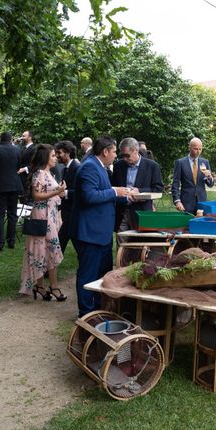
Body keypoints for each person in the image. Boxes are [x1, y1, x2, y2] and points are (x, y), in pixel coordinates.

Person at [70, 136, 135, 317]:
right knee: (88, 274)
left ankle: (99, 308)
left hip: (101, 233)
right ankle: (86, 313)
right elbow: (89, 196)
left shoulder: (100, 166)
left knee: (102, 274)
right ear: (105, 151)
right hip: (90, 233)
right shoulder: (89, 166)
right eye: (114, 151)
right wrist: (115, 191)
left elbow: (103, 193)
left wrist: (126, 194)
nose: (116, 155)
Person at [19, 144, 67, 300]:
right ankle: (49, 286)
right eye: (53, 155)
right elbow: (37, 196)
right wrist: (57, 191)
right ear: (46, 157)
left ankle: (43, 286)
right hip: (42, 216)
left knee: (47, 250)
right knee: (46, 249)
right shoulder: (39, 173)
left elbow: (50, 194)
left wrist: (60, 193)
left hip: (50, 215)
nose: (55, 158)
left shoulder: (48, 173)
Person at [112, 137, 164, 234]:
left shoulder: (152, 166)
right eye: (122, 155)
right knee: (122, 245)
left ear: (136, 150)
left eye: (127, 155)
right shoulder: (119, 166)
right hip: (122, 212)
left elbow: (158, 189)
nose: (125, 159)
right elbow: (113, 186)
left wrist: (139, 191)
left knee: (140, 244)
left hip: (142, 212)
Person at [0, 132, 22, 251]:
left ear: (0, 139)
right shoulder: (17, 150)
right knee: (12, 214)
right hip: (14, 185)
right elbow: (18, 167)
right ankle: (11, 241)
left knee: (0, 214)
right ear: (10, 139)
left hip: (0, 185)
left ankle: (0, 242)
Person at [171, 137, 214, 214]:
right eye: (195, 149)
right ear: (189, 148)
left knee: (201, 225)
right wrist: (177, 201)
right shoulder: (180, 163)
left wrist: (209, 177)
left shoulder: (205, 162)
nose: (198, 152)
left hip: (202, 202)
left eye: (200, 149)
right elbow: (175, 184)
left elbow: (210, 185)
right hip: (186, 203)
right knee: (186, 225)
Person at [54, 140, 80, 253]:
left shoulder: (78, 168)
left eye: (59, 153)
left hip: (74, 213)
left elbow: (82, 191)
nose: (57, 156)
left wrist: (66, 193)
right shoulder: (65, 169)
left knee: (61, 243)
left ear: (67, 153)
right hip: (68, 213)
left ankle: (49, 268)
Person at [17, 130, 36, 198]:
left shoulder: (34, 148)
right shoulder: (23, 148)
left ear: (30, 137)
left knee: (27, 198)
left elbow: (35, 163)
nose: (21, 138)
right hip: (21, 177)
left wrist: (24, 169)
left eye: (24, 136)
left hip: (28, 177)